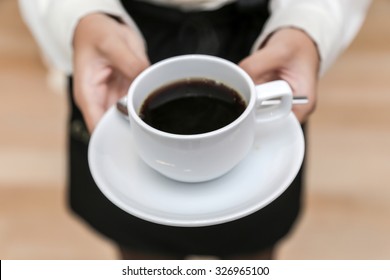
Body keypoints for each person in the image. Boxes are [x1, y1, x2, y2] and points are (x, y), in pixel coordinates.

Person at [19, 0, 371, 259]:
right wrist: (77, 15)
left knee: (252, 250)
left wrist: (309, 21)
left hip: (261, 40)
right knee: (140, 252)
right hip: (115, 41)